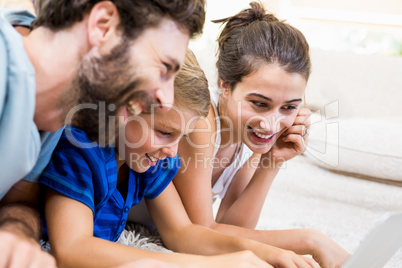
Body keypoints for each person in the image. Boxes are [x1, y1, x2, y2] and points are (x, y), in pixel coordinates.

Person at [39, 49, 317, 268]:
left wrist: (266, 254)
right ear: (123, 109)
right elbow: (73, 249)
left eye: (179, 137)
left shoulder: (146, 161)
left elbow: (182, 232)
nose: (173, 152)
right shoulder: (81, 151)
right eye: (164, 132)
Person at [0, 1, 205, 267]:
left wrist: (18, 235)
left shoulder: (54, 120)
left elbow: (17, 205)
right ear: (103, 25)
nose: (166, 101)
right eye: (163, 68)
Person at [172, 2, 351, 268]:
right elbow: (203, 232)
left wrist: (271, 162)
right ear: (225, 85)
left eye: (289, 107)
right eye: (259, 103)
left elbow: (232, 228)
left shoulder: (250, 136)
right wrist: (311, 240)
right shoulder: (201, 122)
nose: (271, 124)